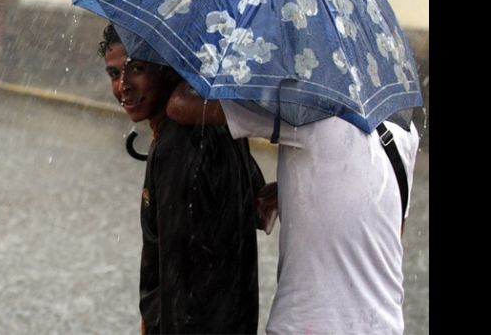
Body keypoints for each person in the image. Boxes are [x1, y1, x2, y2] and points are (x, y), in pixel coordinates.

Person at [167, 82, 420, 335]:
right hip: (383, 325)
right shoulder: (403, 128)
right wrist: (300, 190)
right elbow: (390, 226)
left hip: (309, 325)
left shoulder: (303, 109)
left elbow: (181, 107)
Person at [98, 24, 266, 334]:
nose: (123, 86)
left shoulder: (183, 145)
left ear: (167, 67)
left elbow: (182, 281)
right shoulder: (210, 121)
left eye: (136, 69)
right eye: (113, 74)